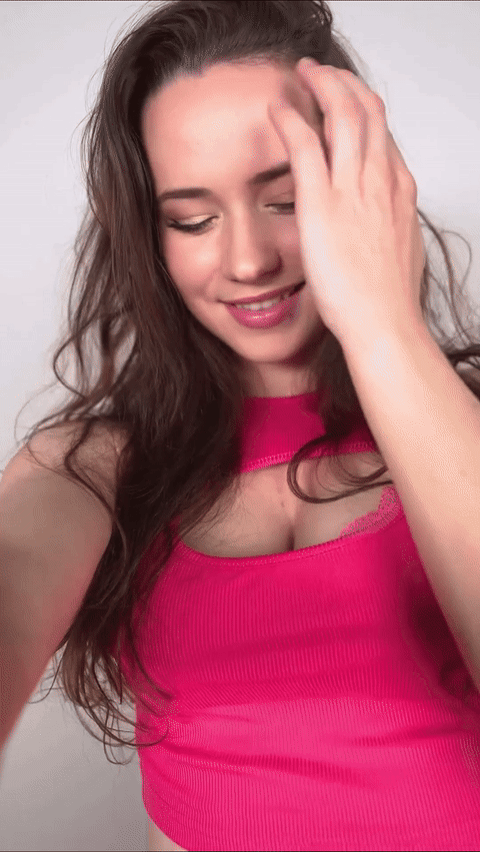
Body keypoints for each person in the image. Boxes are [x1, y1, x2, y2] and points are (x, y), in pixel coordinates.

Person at [2, 2, 480, 850]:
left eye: (287, 199)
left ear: (367, 191)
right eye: (192, 220)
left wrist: (384, 326)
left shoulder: (462, 422)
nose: (250, 260)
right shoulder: (96, 465)